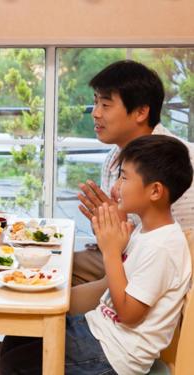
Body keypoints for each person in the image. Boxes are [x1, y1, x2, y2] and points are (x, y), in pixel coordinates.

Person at [0, 134, 193, 374]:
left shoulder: (164, 247)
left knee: (13, 366)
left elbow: (129, 314)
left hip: (115, 355)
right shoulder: (146, 231)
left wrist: (111, 252)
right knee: (18, 333)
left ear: (155, 191)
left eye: (124, 177)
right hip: (99, 329)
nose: (115, 187)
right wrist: (117, 244)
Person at [73, 60, 194, 287]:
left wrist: (119, 231)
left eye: (106, 105)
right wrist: (107, 225)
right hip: (121, 258)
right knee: (50, 267)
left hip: (154, 279)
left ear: (141, 112)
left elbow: (176, 252)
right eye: (95, 103)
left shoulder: (180, 160)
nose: (95, 113)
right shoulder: (113, 159)